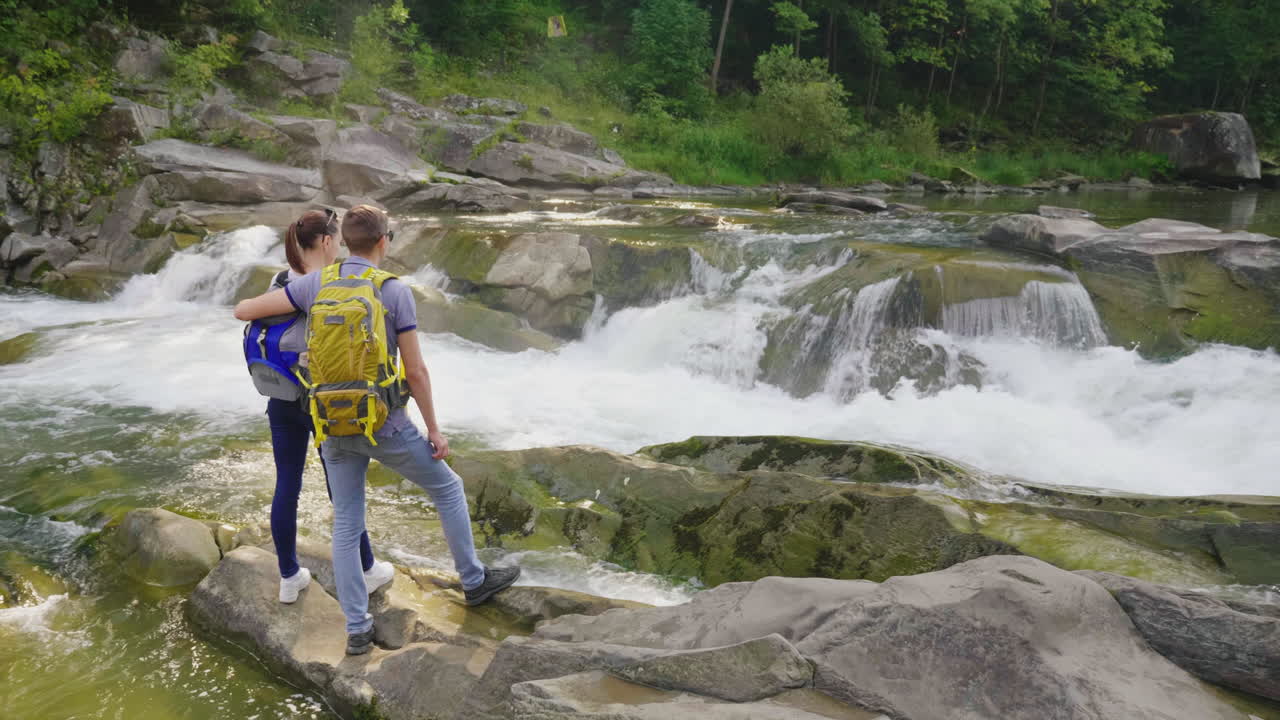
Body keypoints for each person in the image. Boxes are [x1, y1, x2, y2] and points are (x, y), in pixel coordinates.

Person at [234, 205, 519, 655]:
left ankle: (356, 629)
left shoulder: (313, 284)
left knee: (347, 521)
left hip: (330, 423)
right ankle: (474, 580)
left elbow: (245, 310)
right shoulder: (393, 290)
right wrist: (435, 430)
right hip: (383, 422)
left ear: (343, 242)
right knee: (447, 487)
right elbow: (417, 372)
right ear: (384, 241)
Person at [249, 209, 393, 605]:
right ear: (328, 242)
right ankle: (367, 570)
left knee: (287, 485)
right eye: (337, 239)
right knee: (341, 490)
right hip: (326, 402)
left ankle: (289, 576)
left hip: (280, 399)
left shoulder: (279, 282)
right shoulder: (328, 284)